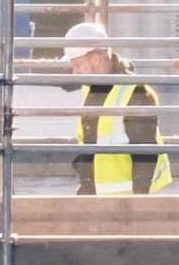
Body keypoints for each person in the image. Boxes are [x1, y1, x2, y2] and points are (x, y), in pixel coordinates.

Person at [64, 20, 170, 194]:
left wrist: (138, 204)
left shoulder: (136, 93)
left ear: (96, 60)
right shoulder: (91, 87)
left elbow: (145, 156)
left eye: (77, 65)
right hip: (101, 194)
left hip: (127, 199)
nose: (75, 72)